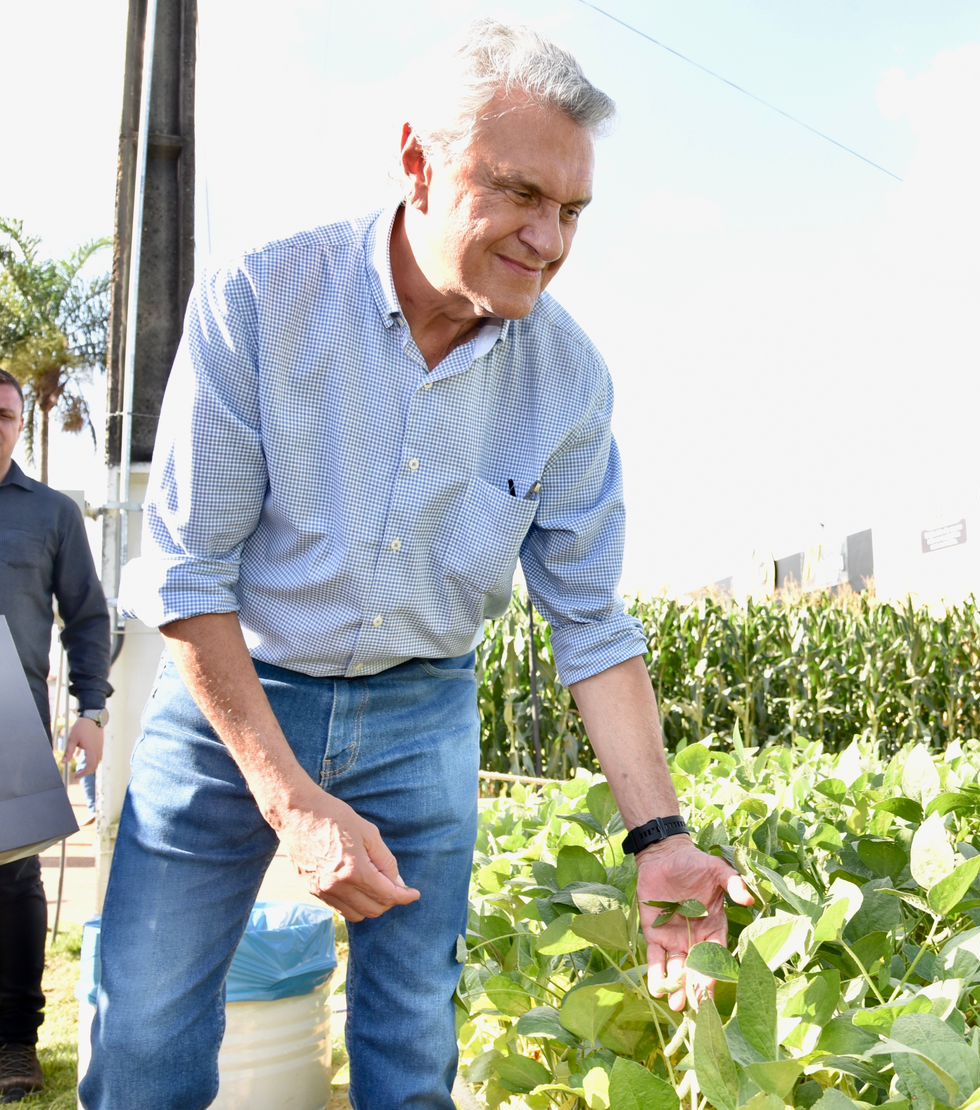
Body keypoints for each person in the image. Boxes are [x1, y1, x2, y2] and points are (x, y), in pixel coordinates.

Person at [82, 22, 751, 1108]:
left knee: (410, 1043)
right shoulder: (259, 302)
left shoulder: (568, 382)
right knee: (148, 1021)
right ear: (417, 165)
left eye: (572, 210)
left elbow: (592, 626)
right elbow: (190, 583)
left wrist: (660, 838)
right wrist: (290, 800)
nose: (548, 238)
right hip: (236, 699)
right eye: (519, 194)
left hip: (419, 710)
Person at [0, 368, 111, 1100]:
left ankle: (14, 1045)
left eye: (4, 414)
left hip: (9, 729)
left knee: (11, 884)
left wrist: (92, 710)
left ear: (16, 423)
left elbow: (88, 617)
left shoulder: (51, 514)